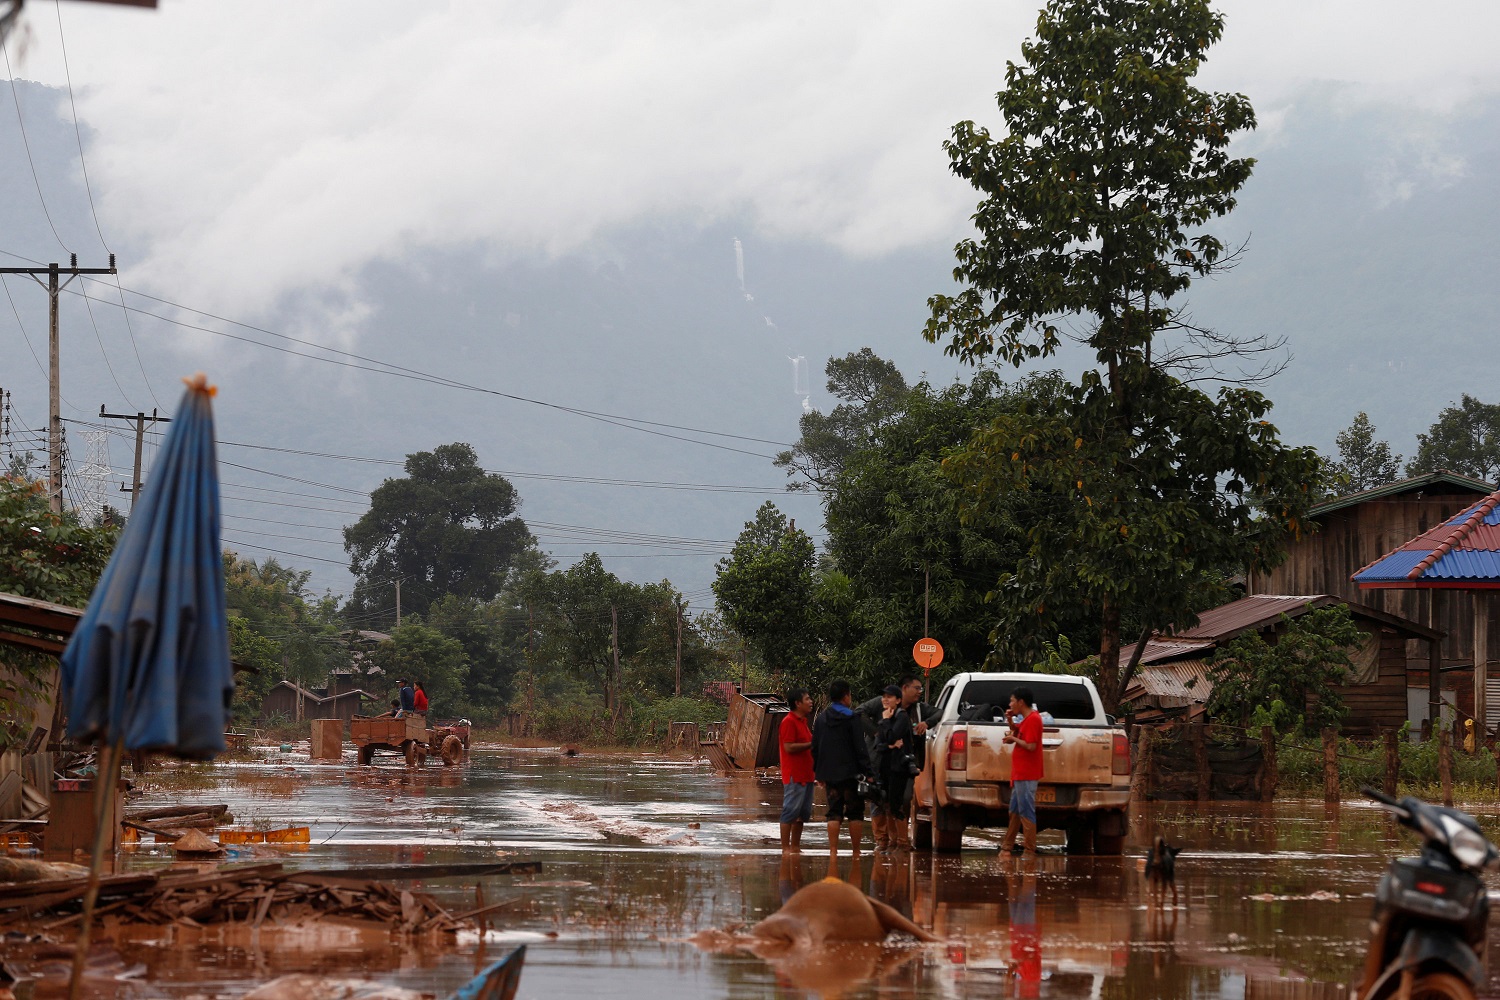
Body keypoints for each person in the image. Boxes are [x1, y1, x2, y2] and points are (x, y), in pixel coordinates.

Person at [812, 679, 873, 860]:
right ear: (846, 696)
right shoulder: (853, 718)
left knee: (834, 811)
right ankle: (855, 852)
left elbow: (816, 747)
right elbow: (860, 747)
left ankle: (832, 852)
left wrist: (819, 773)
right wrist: (868, 772)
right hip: (851, 773)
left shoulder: (822, 718)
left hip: (830, 773)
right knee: (855, 812)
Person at [1002, 687, 1044, 856]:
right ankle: (1007, 846)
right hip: (1020, 772)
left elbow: (1031, 746)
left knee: (1026, 809)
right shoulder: (1027, 719)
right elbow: (1018, 732)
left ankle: (1029, 849)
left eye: (1012, 701)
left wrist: (1013, 739)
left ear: (1020, 702)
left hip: (1027, 772)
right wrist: (1010, 721)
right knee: (1014, 810)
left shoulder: (1033, 719)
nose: (1010, 704)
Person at [874, 684, 915, 851]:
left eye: (889, 697)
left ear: (898, 700)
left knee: (896, 803)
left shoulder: (902, 717)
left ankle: (903, 842)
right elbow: (880, 744)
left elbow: (891, 736)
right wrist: (890, 745)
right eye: (884, 697)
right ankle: (892, 841)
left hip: (898, 767)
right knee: (887, 804)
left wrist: (888, 737)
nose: (885, 699)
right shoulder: (885, 718)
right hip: (885, 766)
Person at [778, 688, 816, 849]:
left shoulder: (803, 722)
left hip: (807, 775)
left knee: (802, 814)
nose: (810, 702)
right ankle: (785, 849)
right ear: (797, 703)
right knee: (790, 811)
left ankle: (795, 847)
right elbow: (788, 747)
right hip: (795, 775)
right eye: (807, 699)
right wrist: (813, 744)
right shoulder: (788, 722)